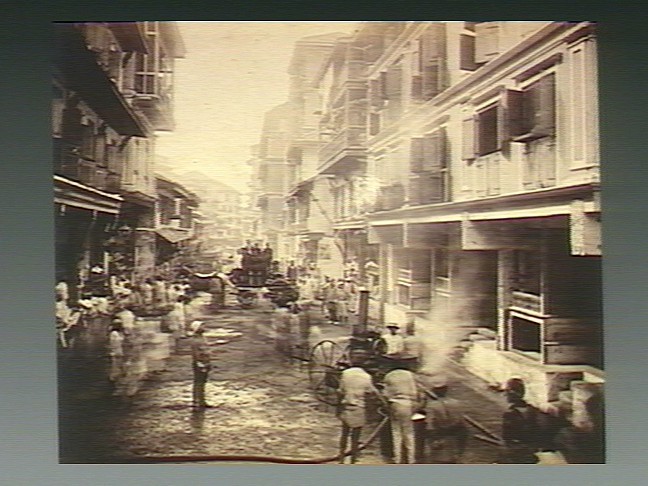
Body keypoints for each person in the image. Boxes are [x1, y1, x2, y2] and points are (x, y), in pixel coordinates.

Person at [337, 361, 382, 464]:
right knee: (355, 437)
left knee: (344, 434)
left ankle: (341, 457)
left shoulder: (346, 373)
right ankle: (353, 459)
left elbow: (340, 391)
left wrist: (338, 408)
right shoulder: (366, 377)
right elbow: (372, 392)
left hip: (346, 406)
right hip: (358, 408)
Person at [421, 384, 468, 464]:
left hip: (442, 432)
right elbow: (461, 419)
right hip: (458, 431)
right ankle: (458, 456)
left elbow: (429, 423)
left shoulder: (432, 405)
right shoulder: (457, 402)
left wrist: (430, 437)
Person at [382, 368, 421, 464]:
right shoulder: (411, 375)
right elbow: (418, 391)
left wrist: (387, 406)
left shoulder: (390, 375)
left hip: (395, 403)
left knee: (396, 432)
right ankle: (411, 459)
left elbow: (385, 394)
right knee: (409, 433)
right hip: (408, 404)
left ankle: (397, 458)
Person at [189, 321, 213, 409]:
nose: (204, 327)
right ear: (197, 329)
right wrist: (200, 363)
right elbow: (195, 354)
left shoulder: (202, 338)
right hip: (200, 363)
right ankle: (197, 401)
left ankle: (202, 401)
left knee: (203, 382)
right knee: (199, 382)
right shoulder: (195, 340)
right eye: (201, 326)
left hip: (205, 361)